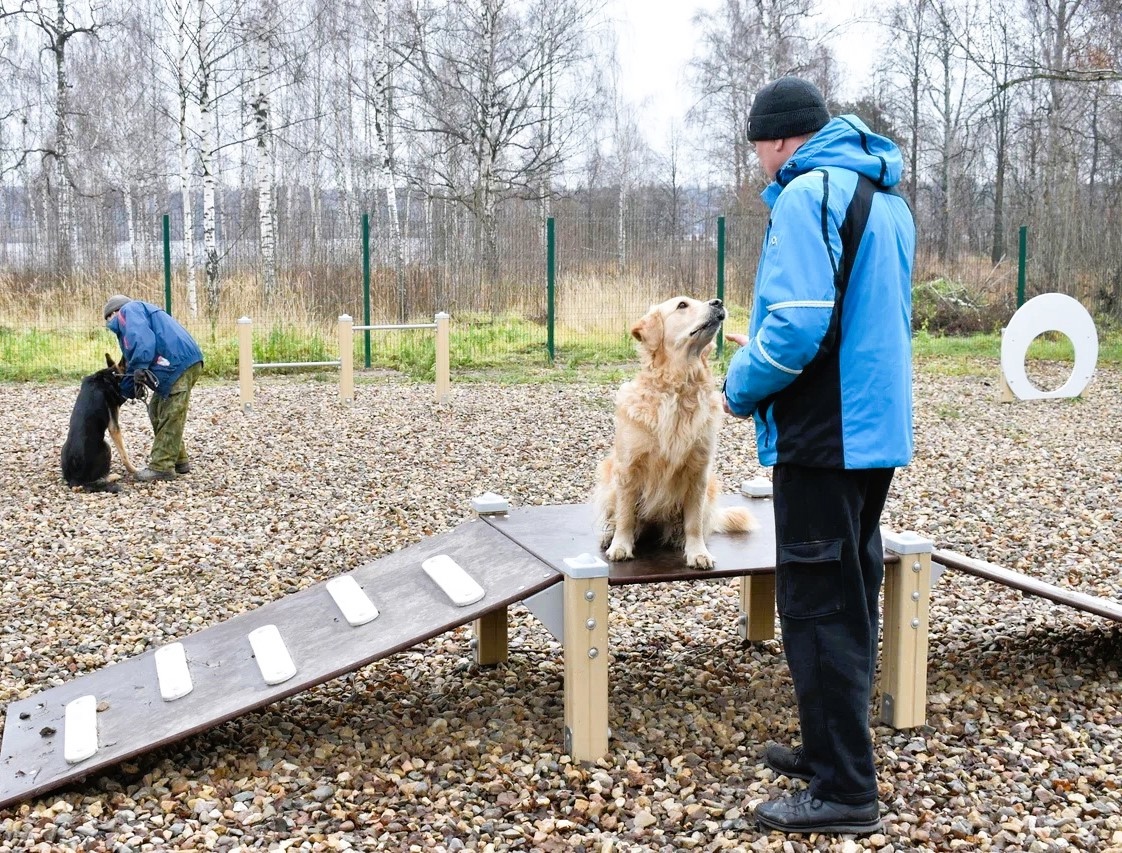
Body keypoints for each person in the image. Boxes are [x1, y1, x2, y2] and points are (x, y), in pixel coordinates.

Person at [721, 77, 916, 835]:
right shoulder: (884, 195)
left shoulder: (806, 197)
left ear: (777, 140)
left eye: (758, 148)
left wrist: (741, 384)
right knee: (851, 590)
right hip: (873, 428)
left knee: (815, 606)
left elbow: (798, 325)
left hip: (824, 433)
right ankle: (828, 747)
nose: (761, 163)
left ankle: (843, 790)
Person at [103, 294, 204, 482]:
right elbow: (132, 362)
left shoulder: (128, 311)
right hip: (177, 363)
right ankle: (179, 459)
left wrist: (141, 366)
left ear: (114, 312)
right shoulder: (136, 316)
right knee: (157, 410)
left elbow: (140, 341)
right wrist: (126, 391)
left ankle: (161, 466)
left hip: (177, 362)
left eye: (108, 318)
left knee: (171, 412)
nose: (109, 324)